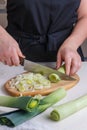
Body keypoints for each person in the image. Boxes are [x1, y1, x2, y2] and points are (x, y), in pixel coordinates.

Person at [0, 0, 87, 76]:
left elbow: (85, 15)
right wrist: (2, 37)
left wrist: (71, 45)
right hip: (15, 56)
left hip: (67, 56)